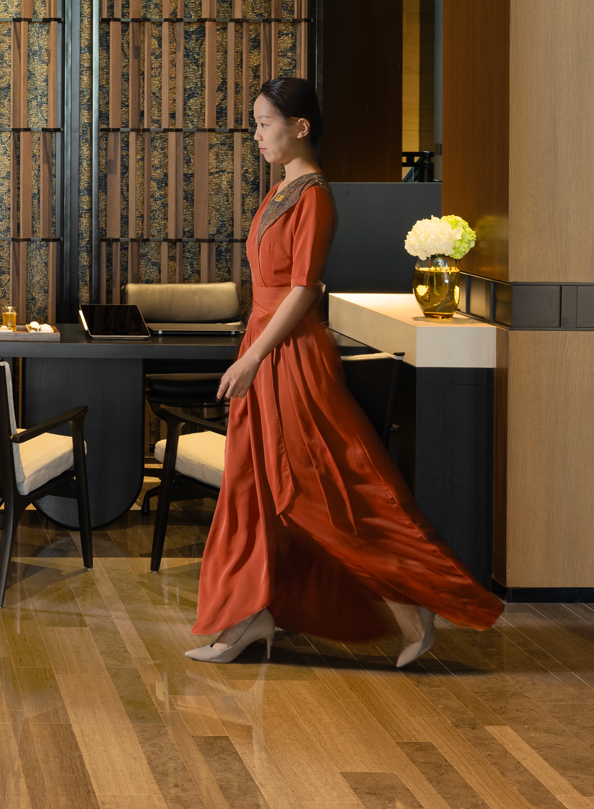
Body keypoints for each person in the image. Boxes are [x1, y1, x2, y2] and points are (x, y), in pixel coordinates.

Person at [182, 77, 502, 667]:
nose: (256, 135)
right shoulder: (279, 192)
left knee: (317, 490)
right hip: (262, 347)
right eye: (255, 124)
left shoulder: (313, 197)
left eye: (264, 123)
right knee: (253, 488)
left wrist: (252, 357)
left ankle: (413, 606)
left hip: (291, 358)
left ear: (300, 127)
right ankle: (250, 616)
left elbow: (304, 289)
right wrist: (250, 350)